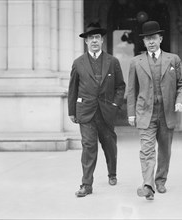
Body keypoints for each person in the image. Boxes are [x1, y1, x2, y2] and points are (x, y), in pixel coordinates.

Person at [127, 21, 182, 200]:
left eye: (154, 38)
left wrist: (180, 102)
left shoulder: (173, 59)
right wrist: (131, 113)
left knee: (164, 150)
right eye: (147, 39)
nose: (151, 42)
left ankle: (160, 180)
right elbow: (131, 90)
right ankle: (148, 184)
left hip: (167, 112)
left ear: (160, 38)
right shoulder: (135, 62)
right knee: (146, 150)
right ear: (144, 42)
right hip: (145, 112)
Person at [68, 22, 126, 198]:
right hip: (86, 112)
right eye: (90, 38)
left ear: (102, 41)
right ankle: (86, 184)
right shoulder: (78, 63)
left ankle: (112, 173)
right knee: (88, 146)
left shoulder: (112, 61)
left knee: (109, 145)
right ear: (86, 42)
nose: (94, 41)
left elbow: (120, 87)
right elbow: (73, 88)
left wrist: (115, 106)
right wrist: (72, 111)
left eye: (97, 38)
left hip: (106, 113)